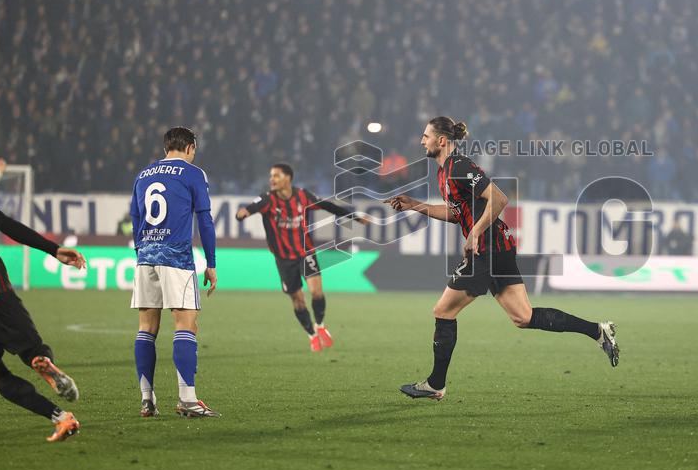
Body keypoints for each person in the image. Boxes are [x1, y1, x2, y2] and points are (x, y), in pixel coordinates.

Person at [386, 117, 619, 401]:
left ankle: (436, 384)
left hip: (487, 249)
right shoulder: (443, 173)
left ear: (442, 141)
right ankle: (598, 331)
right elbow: (456, 213)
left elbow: (499, 198)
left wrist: (474, 233)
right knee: (523, 316)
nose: (422, 140)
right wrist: (415, 205)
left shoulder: (459, 166)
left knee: (443, 311)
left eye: (426, 136)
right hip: (498, 247)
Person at [0, 193, 85, 442]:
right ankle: (40, 359)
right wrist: (53, 249)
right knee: (31, 349)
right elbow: (5, 223)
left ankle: (61, 418)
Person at [130, 127, 219, 418]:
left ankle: (147, 399)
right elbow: (205, 220)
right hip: (176, 257)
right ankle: (188, 399)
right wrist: (211, 262)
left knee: (146, 327)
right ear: (191, 147)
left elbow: (135, 216)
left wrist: (140, 252)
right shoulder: (194, 174)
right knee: (186, 324)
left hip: (146, 256)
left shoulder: (143, 174)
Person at [235, 163, 368, 351]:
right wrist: (242, 214)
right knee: (298, 300)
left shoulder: (303, 195)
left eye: (276, 176)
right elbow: (251, 208)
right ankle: (312, 335)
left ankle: (320, 326)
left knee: (317, 292)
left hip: (306, 253)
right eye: (271, 176)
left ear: (288, 178)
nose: (272, 179)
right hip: (283, 259)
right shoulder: (268, 199)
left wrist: (353, 216)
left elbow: (327, 205)